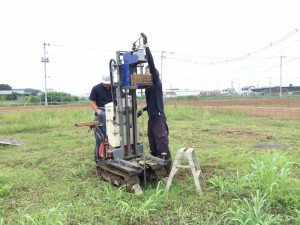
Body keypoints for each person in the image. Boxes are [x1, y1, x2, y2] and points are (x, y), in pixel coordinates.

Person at [138, 33, 172, 173]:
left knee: (161, 141)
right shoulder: (149, 87)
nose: (145, 73)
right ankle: (156, 168)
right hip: (152, 116)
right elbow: (152, 102)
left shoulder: (156, 82)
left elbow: (151, 63)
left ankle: (167, 168)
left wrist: (146, 47)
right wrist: (143, 110)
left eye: (147, 71)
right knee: (152, 140)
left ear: (152, 73)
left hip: (158, 116)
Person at [89, 75, 113, 164]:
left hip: (112, 115)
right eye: (105, 84)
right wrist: (98, 111)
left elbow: (122, 97)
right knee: (100, 139)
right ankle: (99, 160)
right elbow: (93, 103)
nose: (107, 85)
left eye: (108, 84)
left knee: (113, 138)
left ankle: (111, 157)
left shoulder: (114, 88)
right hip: (100, 116)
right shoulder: (96, 88)